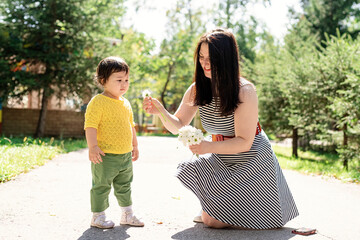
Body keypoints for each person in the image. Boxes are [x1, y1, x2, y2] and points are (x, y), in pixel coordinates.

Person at [143, 28, 298, 229]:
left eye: (211, 58)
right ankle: (219, 207)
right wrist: (161, 111)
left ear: (226, 59)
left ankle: (232, 209)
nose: (205, 64)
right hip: (222, 157)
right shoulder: (198, 88)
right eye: (201, 57)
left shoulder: (245, 91)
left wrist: (207, 147)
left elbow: (244, 142)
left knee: (210, 221)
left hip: (252, 161)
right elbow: (179, 125)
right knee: (207, 206)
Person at [84, 56, 144, 228]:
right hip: (105, 155)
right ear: (103, 80)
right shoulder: (98, 101)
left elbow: (130, 126)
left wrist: (135, 145)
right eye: (119, 80)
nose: (124, 84)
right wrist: (93, 146)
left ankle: (127, 214)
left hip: (124, 155)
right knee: (101, 186)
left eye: (126, 80)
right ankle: (98, 216)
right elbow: (90, 126)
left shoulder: (126, 103)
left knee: (125, 186)